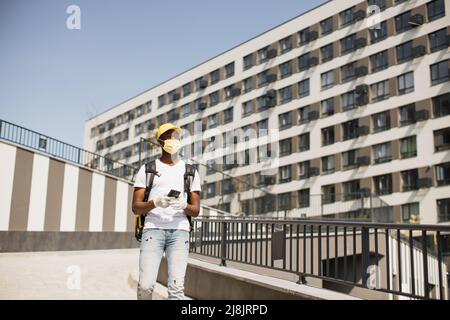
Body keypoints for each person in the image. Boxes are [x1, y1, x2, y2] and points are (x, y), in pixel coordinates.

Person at [132, 123, 201, 300]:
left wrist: (184, 205)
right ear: (160, 141)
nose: (173, 140)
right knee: (146, 286)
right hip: (152, 230)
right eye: (169, 136)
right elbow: (136, 206)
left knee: (176, 289)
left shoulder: (190, 171)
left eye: (176, 137)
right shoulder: (147, 169)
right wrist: (155, 202)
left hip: (180, 232)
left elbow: (196, 210)